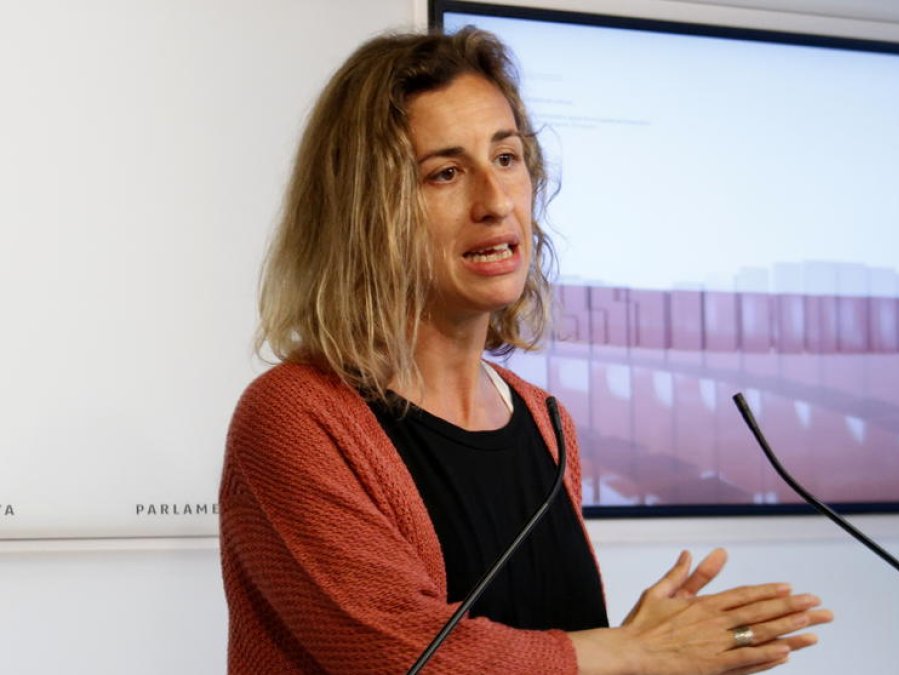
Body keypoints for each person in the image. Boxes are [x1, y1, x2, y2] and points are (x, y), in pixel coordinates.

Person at [219, 27, 833, 674]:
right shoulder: (294, 417)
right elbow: (407, 655)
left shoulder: (546, 422)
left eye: (507, 158)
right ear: (365, 211)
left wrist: (656, 652)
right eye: (446, 173)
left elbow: (551, 657)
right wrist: (631, 653)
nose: (494, 201)